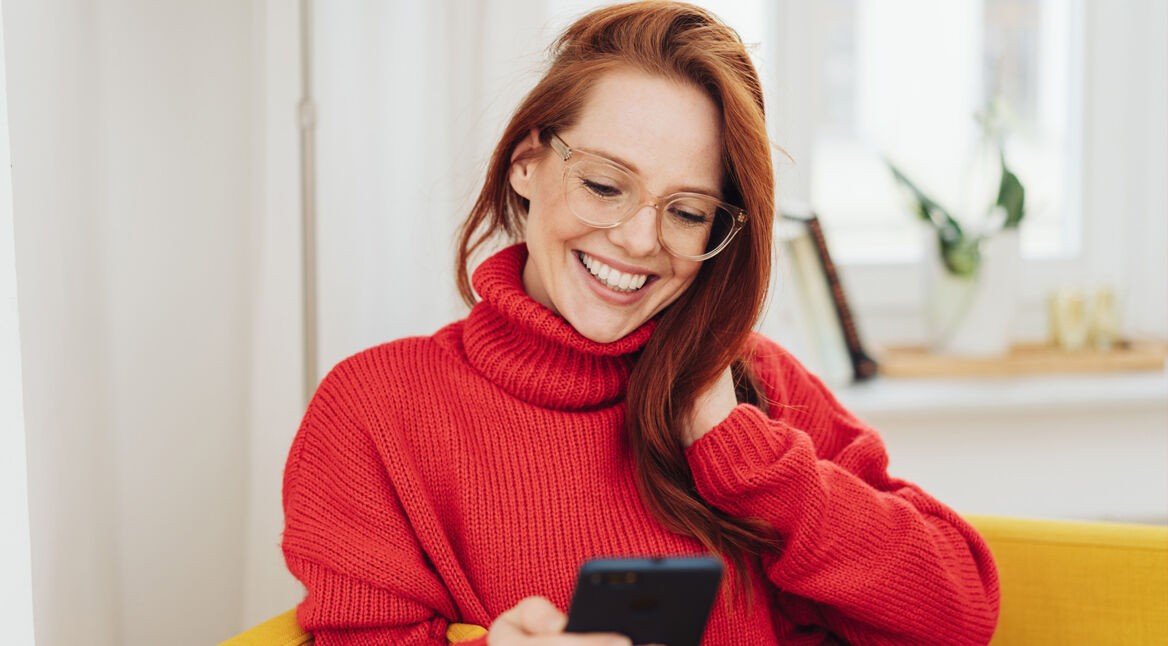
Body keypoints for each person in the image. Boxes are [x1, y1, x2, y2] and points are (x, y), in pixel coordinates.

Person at [280, 2, 1001, 644]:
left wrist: (743, 455)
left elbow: (961, 610)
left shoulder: (753, 383)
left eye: (687, 212)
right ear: (527, 163)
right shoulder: (375, 409)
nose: (637, 239)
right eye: (603, 185)